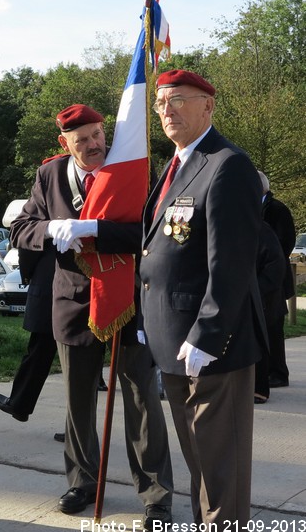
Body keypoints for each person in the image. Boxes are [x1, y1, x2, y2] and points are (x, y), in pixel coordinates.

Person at [10, 104, 173, 530]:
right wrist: (50, 231)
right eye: (81, 139)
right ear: (65, 143)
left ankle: (155, 494)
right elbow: (20, 228)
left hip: (127, 301)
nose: (93, 144)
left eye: (97, 134)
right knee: (77, 401)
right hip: (73, 302)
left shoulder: (131, 168)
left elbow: (150, 231)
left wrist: (95, 231)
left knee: (141, 401)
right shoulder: (50, 175)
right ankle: (82, 482)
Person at [139, 69, 265, 526]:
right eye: (160, 103)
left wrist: (207, 334)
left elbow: (230, 264)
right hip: (172, 341)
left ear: (208, 105)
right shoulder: (177, 166)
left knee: (221, 471)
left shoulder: (227, 164)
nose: (166, 110)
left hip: (211, 346)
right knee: (200, 466)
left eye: (177, 100)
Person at [0, 244, 58, 422]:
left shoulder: (44, 215)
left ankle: (20, 403)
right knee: (80, 362)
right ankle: (80, 431)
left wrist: (28, 273)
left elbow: (28, 244)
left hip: (51, 285)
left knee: (39, 352)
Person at [258, 170, 295, 387]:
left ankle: (278, 373)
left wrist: (269, 264)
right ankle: (267, 370)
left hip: (275, 279)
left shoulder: (277, 209)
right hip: (261, 276)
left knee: (274, 327)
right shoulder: (252, 207)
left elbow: (286, 242)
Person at [254, 222, 288, 403]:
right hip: (247, 297)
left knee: (261, 343)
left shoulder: (262, 230)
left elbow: (275, 265)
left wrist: (255, 290)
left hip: (264, 299)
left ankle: (259, 390)